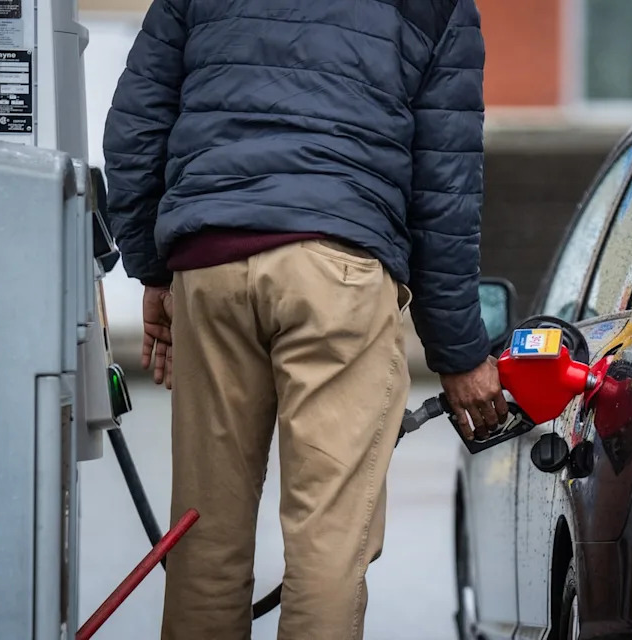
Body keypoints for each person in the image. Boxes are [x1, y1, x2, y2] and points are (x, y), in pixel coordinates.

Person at [102, 0, 507, 638]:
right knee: (328, 540)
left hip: (209, 263)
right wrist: (459, 352)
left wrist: (157, 271)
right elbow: (445, 189)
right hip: (339, 267)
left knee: (205, 542)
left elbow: (132, 129)